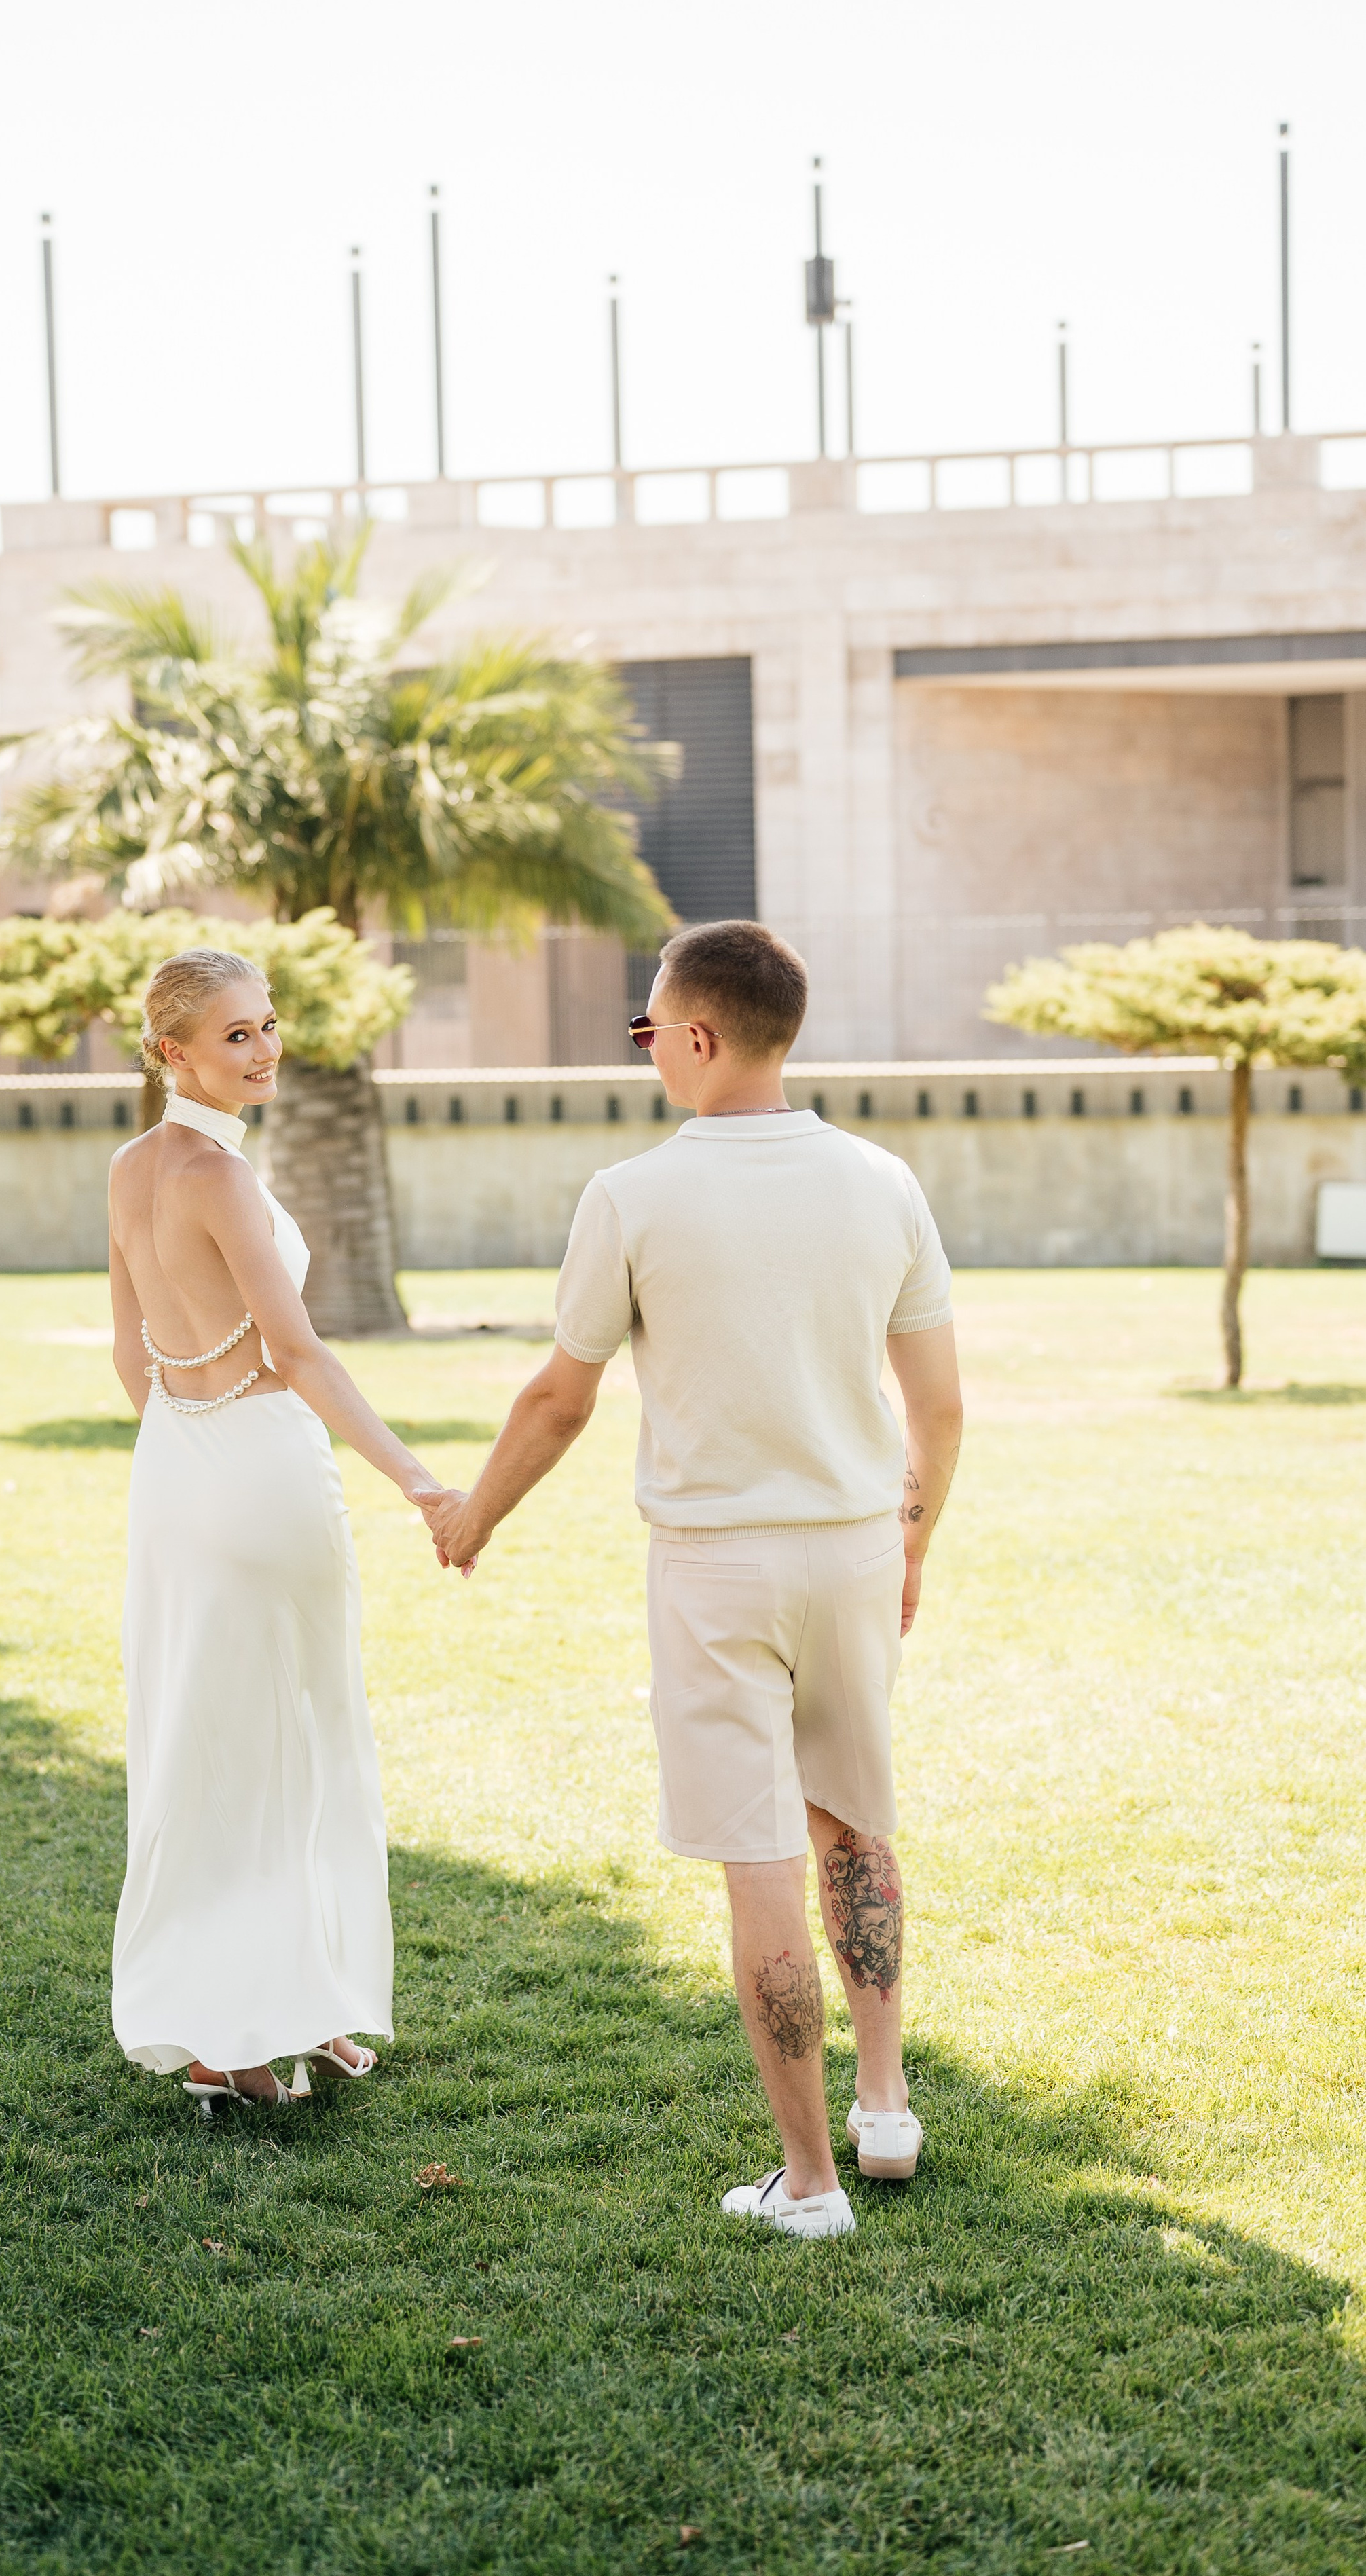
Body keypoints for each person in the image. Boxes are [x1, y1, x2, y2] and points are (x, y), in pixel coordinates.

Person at [429, 921, 963, 2238]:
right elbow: (938, 1406)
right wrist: (909, 1538)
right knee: (855, 1823)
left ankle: (810, 2185)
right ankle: (882, 2106)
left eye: (649, 1026)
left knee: (758, 1861)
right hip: (847, 1547)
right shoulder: (881, 1180)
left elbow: (559, 1397)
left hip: (715, 1569)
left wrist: (473, 1514)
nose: (646, 1047)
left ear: (702, 1036)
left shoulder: (632, 1193)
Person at [107, 948, 450, 2115]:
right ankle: (240, 2033)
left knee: (211, 1745)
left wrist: (186, 1453)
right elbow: (298, 1355)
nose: (265, 1049)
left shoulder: (127, 1169)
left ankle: (283, 2012)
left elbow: (129, 1357)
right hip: (258, 1466)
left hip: (175, 1473)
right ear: (173, 1053)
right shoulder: (225, 1180)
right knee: (295, 1743)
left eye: (267, 1026)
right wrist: (416, 1480)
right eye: (237, 1035)